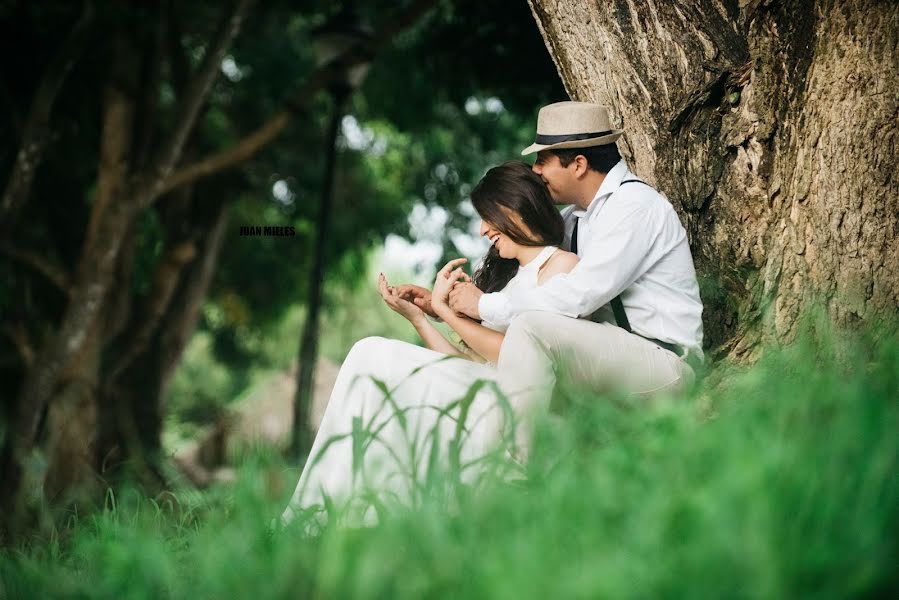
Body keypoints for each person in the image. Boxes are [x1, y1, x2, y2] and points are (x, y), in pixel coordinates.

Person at [280, 162, 578, 527]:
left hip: (515, 407)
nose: (484, 230)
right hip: (484, 391)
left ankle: (333, 515)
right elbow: (463, 365)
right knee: (369, 356)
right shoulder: (512, 281)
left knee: (373, 353)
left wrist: (447, 312)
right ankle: (331, 510)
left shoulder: (564, 267)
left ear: (515, 209)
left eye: (488, 218)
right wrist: (419, 317)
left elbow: (524, 357)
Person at [441, 101, 705, 460]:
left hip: (664, 364)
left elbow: (578, 296)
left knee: (532, 328)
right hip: (606, 360)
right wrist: (440, 306)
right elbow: (534, 283)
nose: (536, 172)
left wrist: (484, 304)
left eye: (543, 160)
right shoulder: (574, 222)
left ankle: (513, 477)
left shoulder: (635, 206)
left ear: (578, 164)